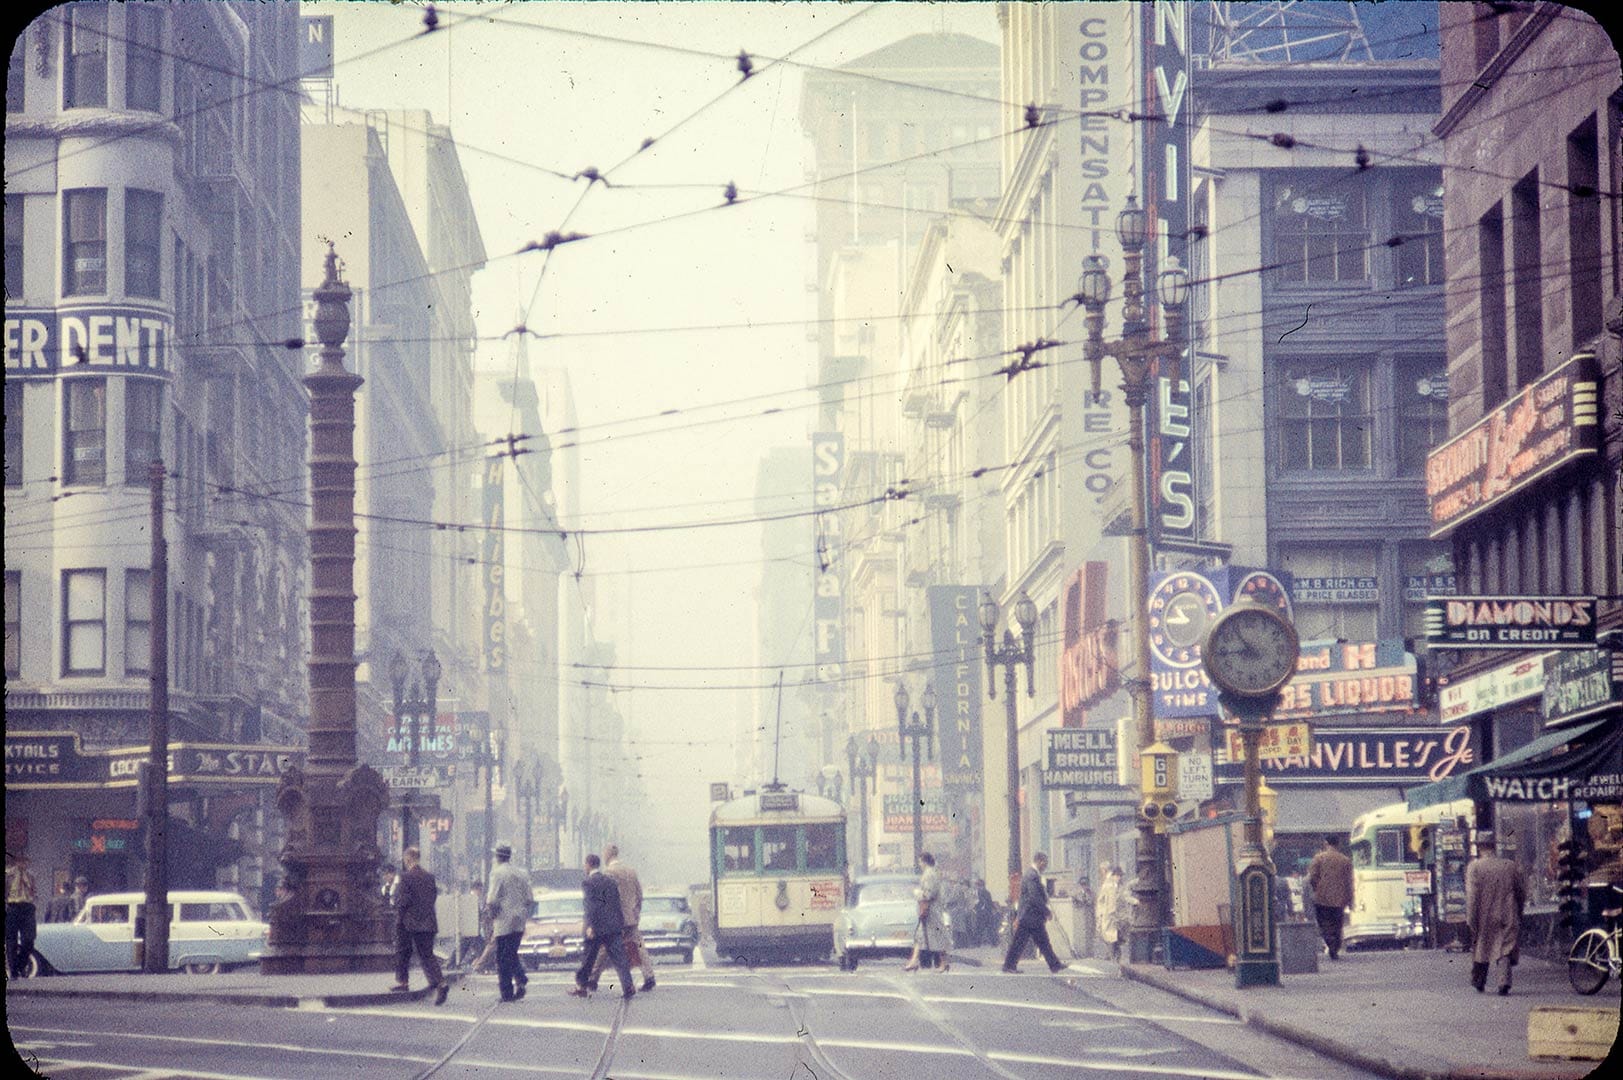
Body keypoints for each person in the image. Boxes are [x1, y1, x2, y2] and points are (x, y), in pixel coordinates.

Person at [1465, 831, 1527, 995]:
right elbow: (1521, 892)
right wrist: (1519, 910)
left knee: (1482, 946)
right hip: (1507, 912)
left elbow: (1472, 897)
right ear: (1494, 847)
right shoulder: (1509, 865)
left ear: (1479, 847)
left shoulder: (1475, 867)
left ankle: (1479, 981)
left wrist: (1471, 919)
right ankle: (1503, 982)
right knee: (1504, 948)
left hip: (1484, 915)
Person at [569, 853, 635, 1000]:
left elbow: (591, 906)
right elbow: (617, 904)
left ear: (588, 864)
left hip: (597, 927)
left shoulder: (588, 883)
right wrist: (621, 924)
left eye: (585, 864)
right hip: (613, 927)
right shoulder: (610, 881)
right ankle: (628, 985)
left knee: (588, 959)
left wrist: (590, 926)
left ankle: (581, 986)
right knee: (620, 959)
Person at [388, 846, 449, 1005]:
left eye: (404, 859)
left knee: (403, 951)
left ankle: (404, 982)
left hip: (409, 922)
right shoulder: (429, 877)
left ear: (408, 859)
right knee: (427, 955)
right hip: (428, 921)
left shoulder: (406, 877)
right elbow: (433, 896)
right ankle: (439, 982)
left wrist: (399, 916)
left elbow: (403, 901)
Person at [591, 844, 655, 992]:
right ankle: (649, 976)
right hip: (631, 918)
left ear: (607, 855)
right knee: (640, 948)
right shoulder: (631, 872)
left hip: (614, 919)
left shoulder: (608, 873)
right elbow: (639, 895)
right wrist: (635, 912)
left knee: (603, 949)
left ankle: (592, 978)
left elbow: (606, 898)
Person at [1002, 851, 1065, 974]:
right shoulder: (1032, 875)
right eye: (1045, 863)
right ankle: (1009, 966)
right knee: (1022, 942)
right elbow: (1034, 897)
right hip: (1029, 916)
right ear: (1040, 861)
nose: (1045, 866)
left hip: (1031, 916)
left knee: (1041, 942)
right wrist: (1046, 911)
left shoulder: (1032, 874)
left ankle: (1055, 965)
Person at [486, 843, 531, 1003]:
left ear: (497, 857)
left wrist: (491, 913)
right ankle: (520, 978)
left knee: (503, 957)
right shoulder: (522, 873)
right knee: (511, 952)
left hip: (503, 920)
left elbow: (492, 899)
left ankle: (507, 991)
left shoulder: (497, 873)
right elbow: (529, 898)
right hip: (519, 920)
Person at [1307, 834, 1354, 960]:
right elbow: (1349, 882)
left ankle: (1330, 943)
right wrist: (1350, 900)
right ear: (1338, 844)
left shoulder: (1319, 858)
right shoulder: (1345, 860)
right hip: (1340, 899)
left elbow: (1312, 877)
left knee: (1324, 924)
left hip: (1322, 898)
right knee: (1337, 924)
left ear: (1326, 843)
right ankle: (1335, 947)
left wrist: (1316, 888)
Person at [903, 852, 950, 972]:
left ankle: (944, 963)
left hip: (930, 910)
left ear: (924, 861)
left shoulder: (929, 874)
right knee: (920, 936)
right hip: (929, 910)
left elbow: (929, 893)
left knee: (936, 936)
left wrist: (917, 893)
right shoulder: (931, 873)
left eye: (920, 861)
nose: (919, 864)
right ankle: (914, 961)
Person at [5, 852, 38, 979]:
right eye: (20, 861)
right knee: (11, 940)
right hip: (13, 907)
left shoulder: (31, 876)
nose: (23, 863)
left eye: (25, 861)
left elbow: (34, 891)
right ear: (16, 862)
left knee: (29, 940)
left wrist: (33, 900)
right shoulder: (8, 875)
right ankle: (13, 971)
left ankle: (20, 965)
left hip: (27, 907)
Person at [1095, 866, 1124, 962]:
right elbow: (1101, 900)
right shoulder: (1108, 885)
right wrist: (1100, 914)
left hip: (1117, 914)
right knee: (1108, 935)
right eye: (1118, 876)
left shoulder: (1117, 885)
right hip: (1108, 914)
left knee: (1115, 936)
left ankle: (1113, 955)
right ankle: (1112, 955)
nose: (1119, 878)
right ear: (1114, 875)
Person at [460, 881, 486, 967]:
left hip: (473, 929)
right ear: (476, 889)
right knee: (480, 948)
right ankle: (477, 964)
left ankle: (474, 964)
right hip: (471, 929)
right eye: (480, 890)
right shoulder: (470, 899)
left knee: (465, 947)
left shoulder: (473, 899)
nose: (481, 893)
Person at [972, 878, 998, 946]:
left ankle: (977, 943)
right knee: (990, 928)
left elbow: (981, 902)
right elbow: (990, 902)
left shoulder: (979, 892)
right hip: (988, 912)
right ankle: (994, 943)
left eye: (976, 885)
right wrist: (994, 908)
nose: (975, 886)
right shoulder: (987, 892)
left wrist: (975, 908)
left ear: (978, 885)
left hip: (981, 913)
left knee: (979, 928)